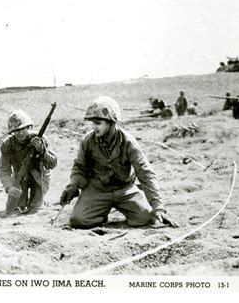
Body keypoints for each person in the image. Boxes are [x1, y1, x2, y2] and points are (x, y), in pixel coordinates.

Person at [59, 96, 178, 229]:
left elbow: (145, 173)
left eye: (98, 123)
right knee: (78, 220)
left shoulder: (128, 142)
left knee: (148, 218)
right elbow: (79, 167)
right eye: (92, 123)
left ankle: (135, 200)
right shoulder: (88, 141)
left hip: (124, 190)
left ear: (111, 122)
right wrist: (73, 186)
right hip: (98, 190)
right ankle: (101, 214)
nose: (93, 127)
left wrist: (158, 207)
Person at [0, 110, 57, 215]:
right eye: (17, 130)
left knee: (35, 210)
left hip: (39, 177)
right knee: (11, 211)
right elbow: (4, 169)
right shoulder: (7, 145)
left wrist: (42, 151)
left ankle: (42, 201)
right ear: (12, 132)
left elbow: (52, 163)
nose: (20, 133)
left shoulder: (39, 139)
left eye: (23, 129)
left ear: (28, 127)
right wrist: (9, 187)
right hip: (20, 177)